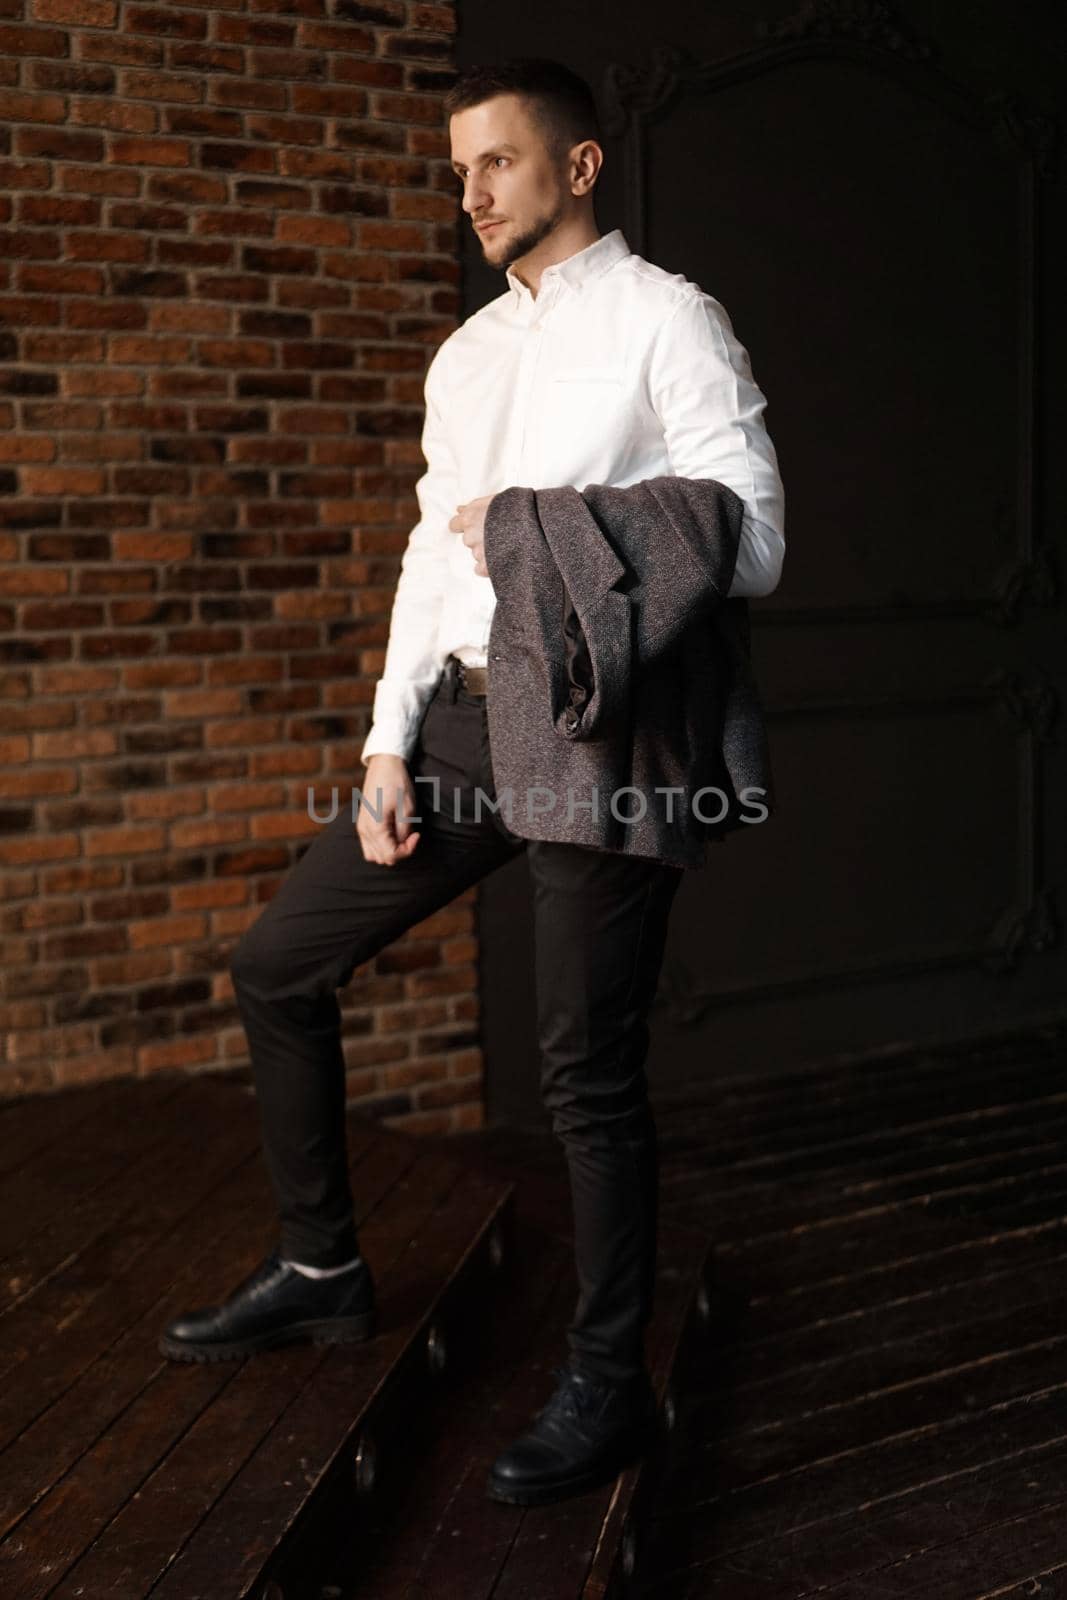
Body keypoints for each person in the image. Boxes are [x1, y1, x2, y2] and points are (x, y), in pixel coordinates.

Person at [159, 55, 785, 1508]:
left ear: (576, 167)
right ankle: (321, 1265)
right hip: (458, 721)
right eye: (457, 172)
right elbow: (429, 562)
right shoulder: (466, 355)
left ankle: (607, 1382)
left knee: (583, 1074)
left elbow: (751, 539)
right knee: (276, 966)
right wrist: (386, 741)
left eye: (495, 163)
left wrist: (533, 522)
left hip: (589, 724)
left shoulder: (667, 319)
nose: (469, 194)